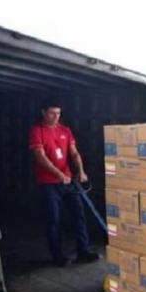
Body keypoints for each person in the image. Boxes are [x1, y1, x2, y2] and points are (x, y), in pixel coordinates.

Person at [29, 98, 98, 267]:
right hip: (48, 183)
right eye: (52, 113)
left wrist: (81, 171)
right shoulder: (37, 131)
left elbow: (74, 153)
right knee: (54, 219)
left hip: (68, 182)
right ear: (43, 112)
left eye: (58, 113)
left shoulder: (65, 130)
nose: (55, 116)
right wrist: (59, 175)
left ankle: (83, 251)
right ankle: (57, 256)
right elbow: (41, 157)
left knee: (79, 215)